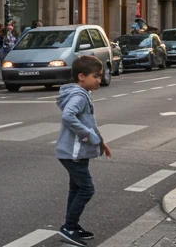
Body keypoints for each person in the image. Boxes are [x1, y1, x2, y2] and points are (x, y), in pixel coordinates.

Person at [55, 55, 110, 246]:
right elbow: (68, 116)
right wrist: (89, 136)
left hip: (74, 152)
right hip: (74, 153)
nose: (99, 80)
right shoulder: (78, 96)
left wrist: (100, 141)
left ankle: (72, 225)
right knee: (87, 189)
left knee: (76, 188)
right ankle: (69, 226)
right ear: (81, 76)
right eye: (96, 76)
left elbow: (89, 122)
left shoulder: (81, 93)